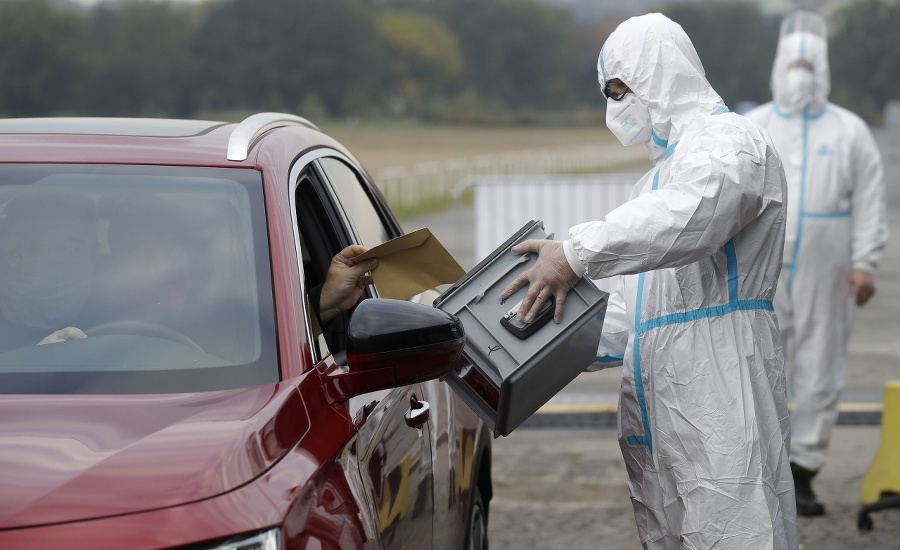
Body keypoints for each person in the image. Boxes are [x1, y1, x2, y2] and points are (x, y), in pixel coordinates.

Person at [501, 13, 798, 548]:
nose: (615, 108)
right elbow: (638, 313)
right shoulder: (658, 178)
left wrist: (575, 252)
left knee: (737, 528)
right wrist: (542, 333)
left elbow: (695, 217)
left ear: (658, 76)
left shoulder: (731, 142)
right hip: (662, 403)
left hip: (720, 385)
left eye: (620, 91)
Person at [745, 11, 889, 517]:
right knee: (758, 361)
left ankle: (803, 470)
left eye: (810, 63)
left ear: (823, 67)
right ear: (779, 64)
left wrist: (865, 263)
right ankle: (760, 468)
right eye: (794, 62)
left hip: (828, 270)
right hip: (761, 268)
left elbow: (871, 201)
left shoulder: (849, 131)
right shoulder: (752, 127)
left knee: (822, 364)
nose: (801, 72)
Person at [0, 192, 99, 350]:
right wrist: (34, 362)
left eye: (92, 253)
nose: (86, 264)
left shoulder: (102, 316)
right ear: (15, 253)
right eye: (72, 249)